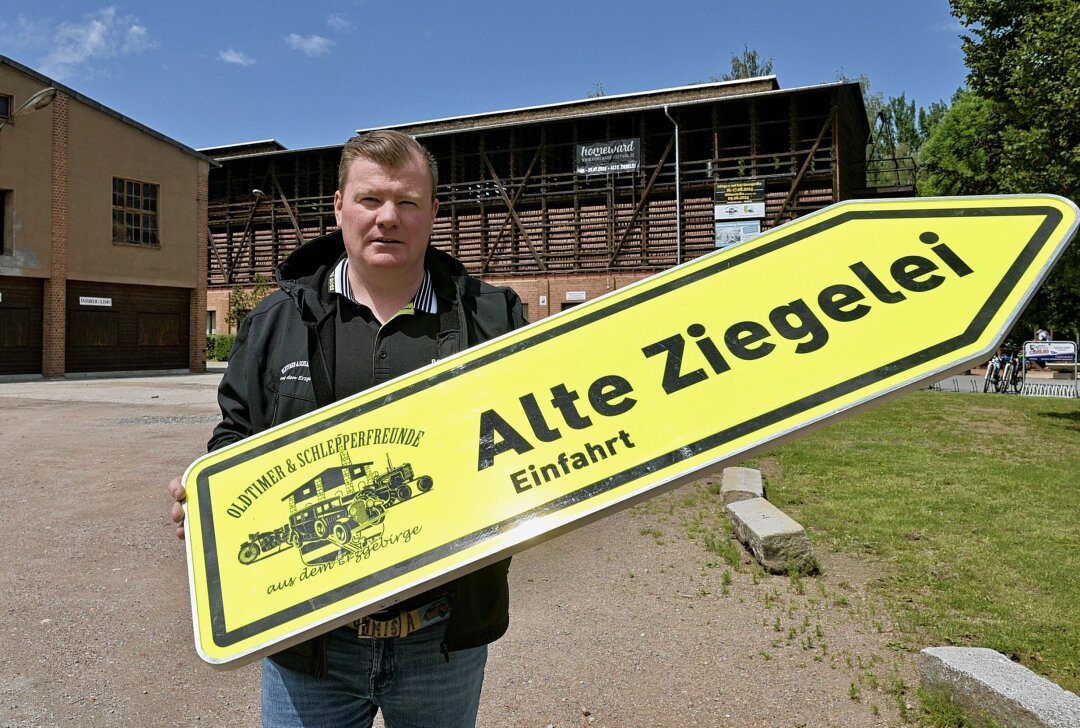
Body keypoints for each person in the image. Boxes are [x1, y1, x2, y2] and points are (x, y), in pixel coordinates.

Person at [168, 130, 526, 727]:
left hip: (440, 635)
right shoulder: (276, 321)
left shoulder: (493, 318)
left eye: (408, 202)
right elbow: (236, 433)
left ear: (434, 213)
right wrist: (209, 497)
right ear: (339, 207)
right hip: (308, 640)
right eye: (370, 200)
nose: (389, 218)